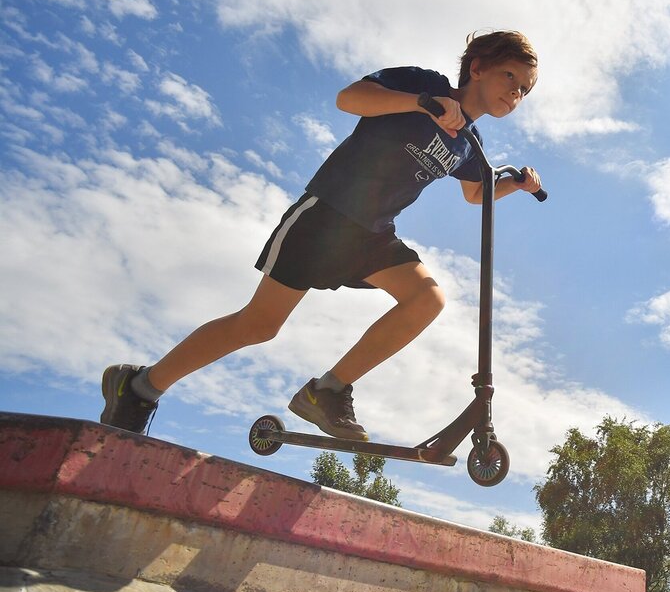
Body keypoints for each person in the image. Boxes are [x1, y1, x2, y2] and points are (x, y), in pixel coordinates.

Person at [101, 30, 541, 442]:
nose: (516, 92)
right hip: (325, 216)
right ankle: (139, 385)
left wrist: (514, 186)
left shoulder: (469, 142)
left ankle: (326, 392)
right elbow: (350, 98)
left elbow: (476, 193)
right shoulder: (425, 84)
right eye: (510, 77)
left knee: (427, 299)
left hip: (371, 235)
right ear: (478, 67)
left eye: (524, 89)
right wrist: (423, 103)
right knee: (258, 325)